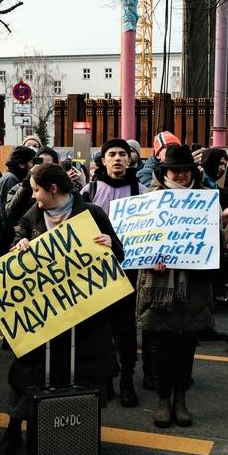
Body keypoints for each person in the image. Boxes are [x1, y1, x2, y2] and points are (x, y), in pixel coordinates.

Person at [0, 163, 122, 455]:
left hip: (84, 312)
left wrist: (110, 246)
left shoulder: (92, 213)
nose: (33, 195)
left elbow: (118, 254)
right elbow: (16, 245)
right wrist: (20, 245)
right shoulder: (33, 215)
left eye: (36, 189)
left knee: (82, 370)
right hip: (43, 312)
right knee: (29, 371)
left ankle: (77, 431)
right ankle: (13, 430)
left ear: (53, 189)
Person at [136, 144, 228, 428]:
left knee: (186, 346)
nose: (180, 175)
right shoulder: (149, 200)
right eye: (175, 170)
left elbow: (218, 244)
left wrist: (225, 221)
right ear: (164, 171)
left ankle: (180, 399)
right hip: (157, 284)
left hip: (194, 284)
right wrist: (147, 258)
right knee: (157, 347)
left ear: (193, 172)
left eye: (185, 170)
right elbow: (136, 243)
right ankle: (162, 400)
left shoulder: (206, 199)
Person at [84, 138, 147, 407]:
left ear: (130, 159)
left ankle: (127, 379)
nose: (118, 158)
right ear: (103, 160)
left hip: (129, 269)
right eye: (112, 154)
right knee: (101, 328)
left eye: (123, 153)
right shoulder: (90, 189)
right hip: (98, 271)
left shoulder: (140, 189)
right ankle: (106, 378)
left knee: (125, 329)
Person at [0, 146, 36, 260]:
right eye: (31, 162)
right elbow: (7, 214)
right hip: (2, 241)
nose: (34, 166)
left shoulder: (11, 177)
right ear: (22, 164)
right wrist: (14, 240)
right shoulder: (11, 180)